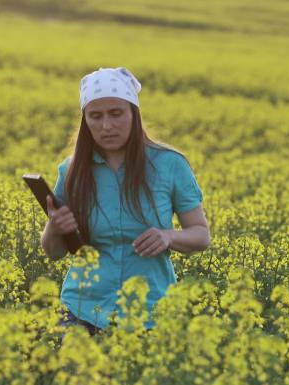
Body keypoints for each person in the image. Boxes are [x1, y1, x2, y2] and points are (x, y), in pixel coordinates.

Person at [41, 67, 211, 338]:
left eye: (116, 113)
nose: (106, 125)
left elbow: (201, 235)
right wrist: (54, 227)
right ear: (85, 121)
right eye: (95, 116)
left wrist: (168, 237)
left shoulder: (170, 165)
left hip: (150, 313)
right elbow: (54, 252)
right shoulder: (71, 171)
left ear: (134, 113)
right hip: (82, 309)